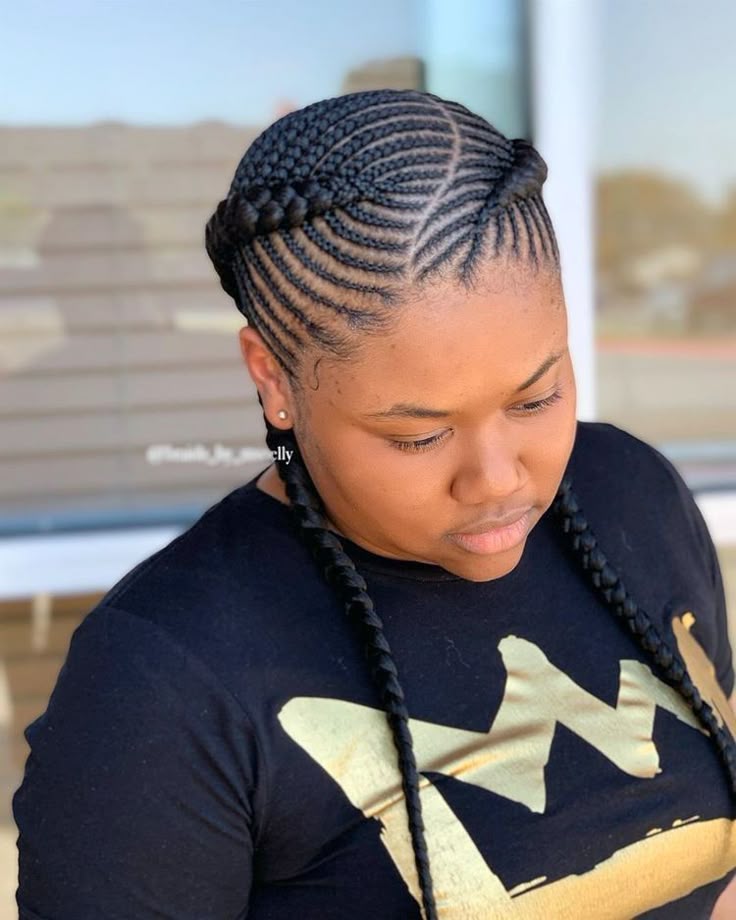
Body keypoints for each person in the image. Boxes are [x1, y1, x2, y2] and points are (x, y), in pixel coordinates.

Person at [12, 88, 736, 920]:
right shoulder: (160, 681)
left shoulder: (631, 493)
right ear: (273, 379)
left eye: (536, 398)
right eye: (417, 436)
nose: (497, 479)